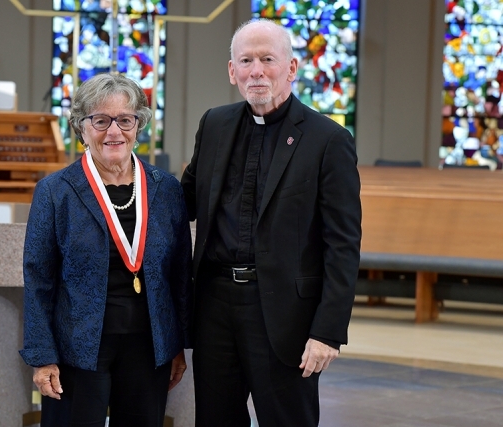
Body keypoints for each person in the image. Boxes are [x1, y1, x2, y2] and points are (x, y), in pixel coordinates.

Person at [181, 19, 362, 427]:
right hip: (215, 308)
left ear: (292, 68)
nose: (256, 71)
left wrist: (328, 331)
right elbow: (182, 203)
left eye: (267, 59)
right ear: (232, 71)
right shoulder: (214, 124)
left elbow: (343, 245)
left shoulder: (328, 140)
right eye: (246, 60)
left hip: (284, 316)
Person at [20, 73, 192, 427]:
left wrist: (176, 344)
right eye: (100, 120)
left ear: (138, 125)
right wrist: (42, 357)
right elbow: (38, 279)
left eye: (125, 120)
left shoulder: (166, 189)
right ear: (81, 127)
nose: (114, 132)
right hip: (78, 348)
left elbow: (179, 274)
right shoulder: (55, 191)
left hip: (149, 348)